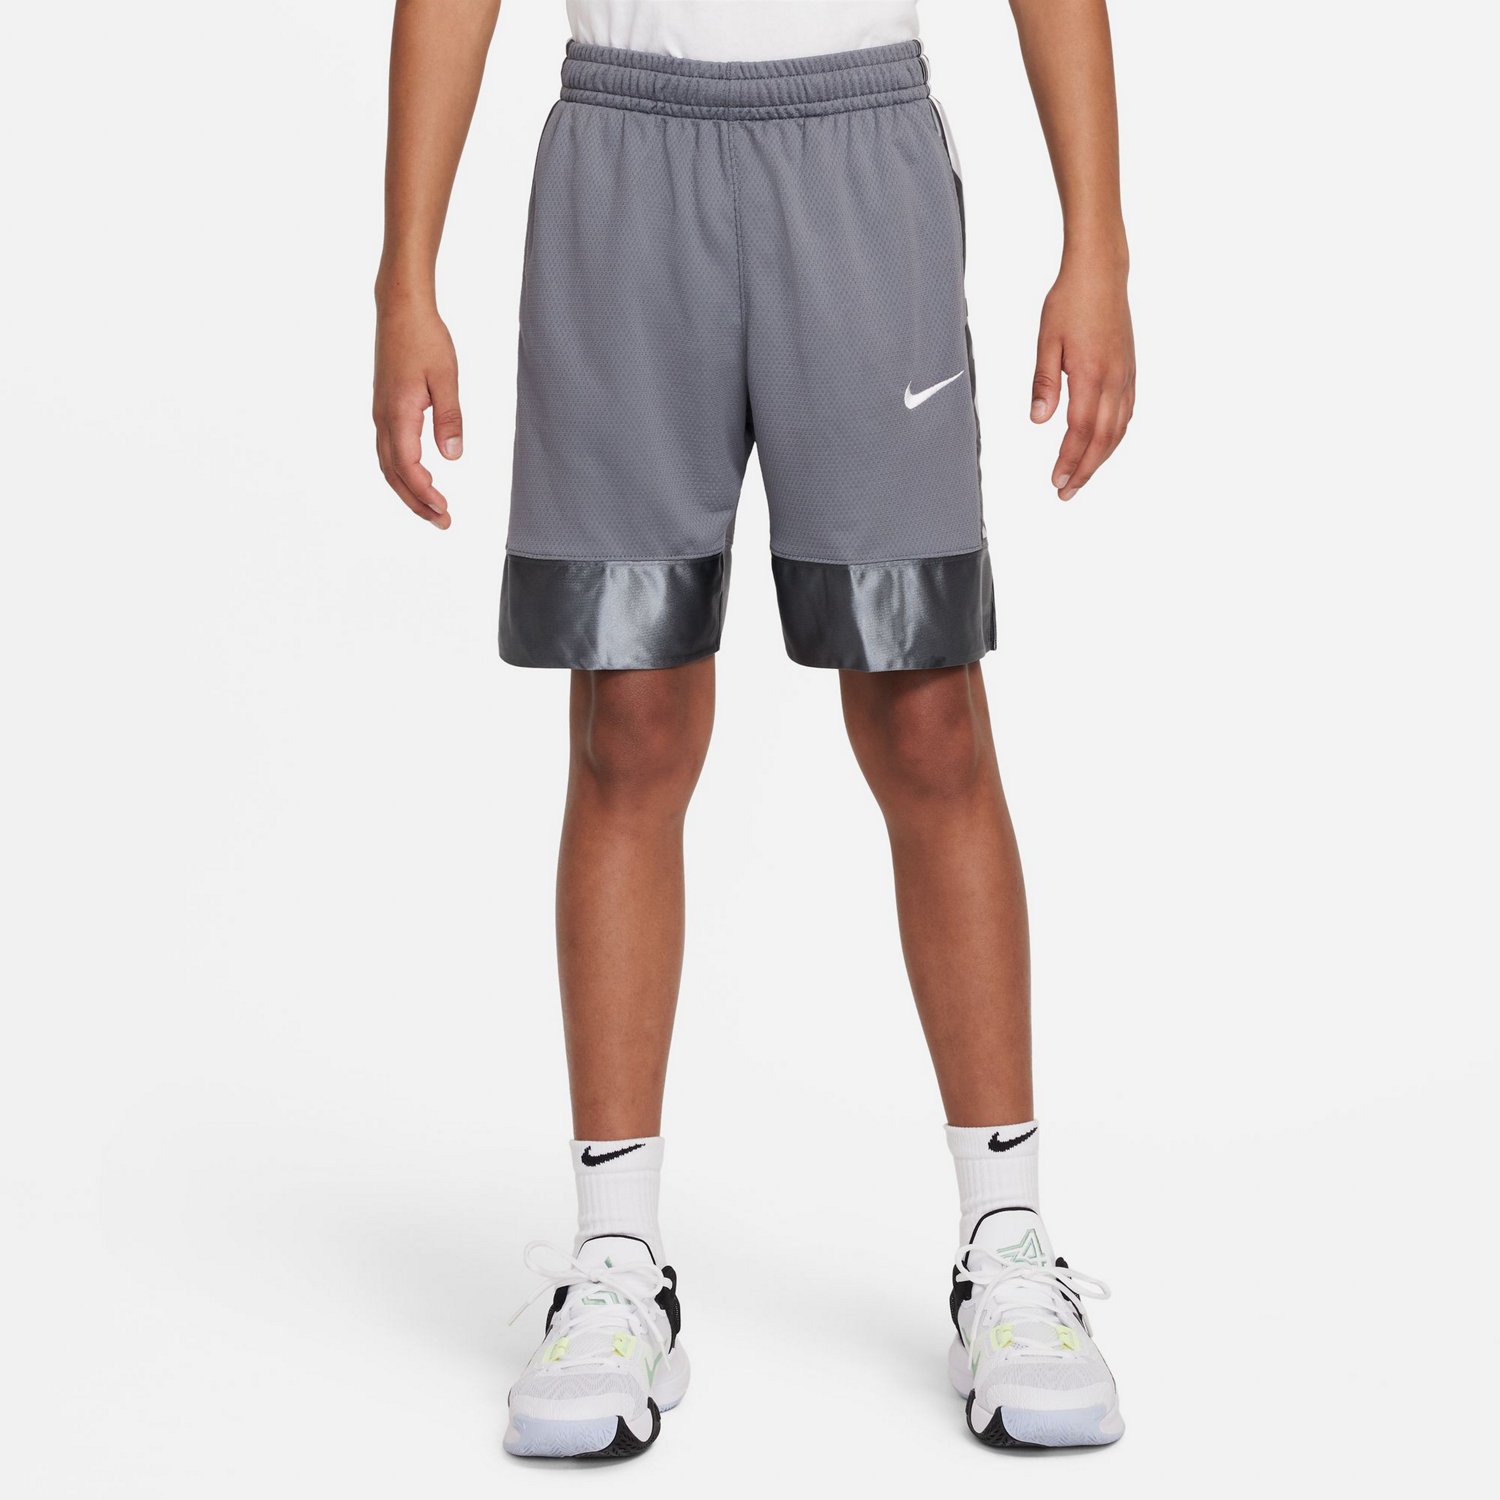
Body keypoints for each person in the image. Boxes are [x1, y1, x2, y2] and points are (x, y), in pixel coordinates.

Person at [375, 0, 1135, 1458]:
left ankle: (1009, 1243)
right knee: (630, 717)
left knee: (926, 709)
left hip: (858, 159)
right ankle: (617, 1260)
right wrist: (404, 276)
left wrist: (1094, 242)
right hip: (623, 159)